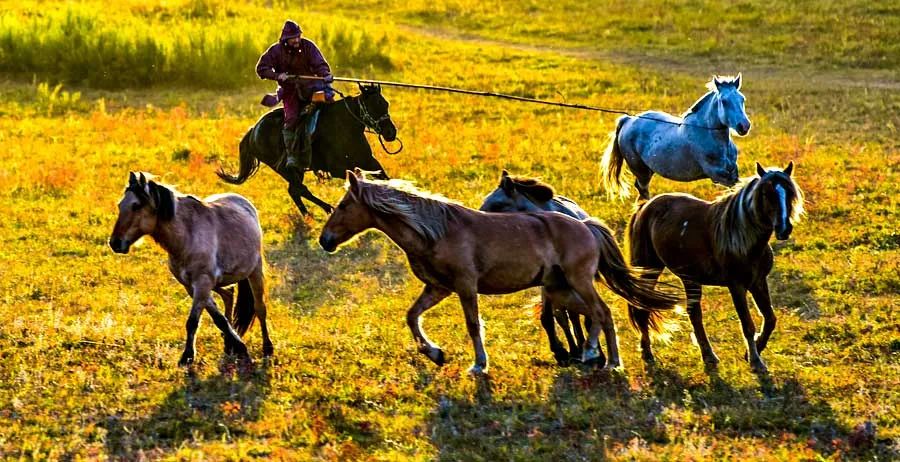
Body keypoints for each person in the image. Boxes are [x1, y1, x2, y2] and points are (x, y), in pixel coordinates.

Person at [256, 20, 334, 172]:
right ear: (285, 39)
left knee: (329, 104)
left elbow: (321, 65)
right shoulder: (276, 51)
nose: (297, 40)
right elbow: (261, 68)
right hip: (290, 91)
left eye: (298, 36)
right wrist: (278, 76)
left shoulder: (308, 46)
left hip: (313, 87)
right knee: (291, 119)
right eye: (293, 38)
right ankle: (292, 155)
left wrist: (326, 75)